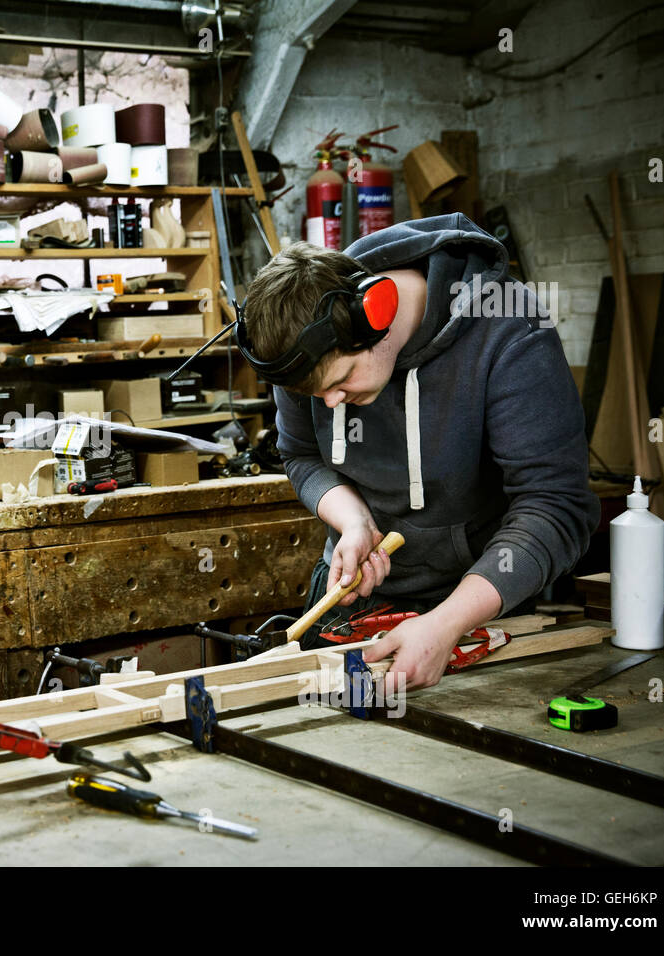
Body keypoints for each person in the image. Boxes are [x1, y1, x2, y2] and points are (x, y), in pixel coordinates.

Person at [240, 214, 599, 689]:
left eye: (341, 381)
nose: (329, 403)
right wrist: (354, 521)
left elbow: (555, 505)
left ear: (376, 312)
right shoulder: (303, 335)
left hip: (474, 606)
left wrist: (447, 624)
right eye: (316, 393)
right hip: (352, 602)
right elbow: (301, 454)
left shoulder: (508, 329)